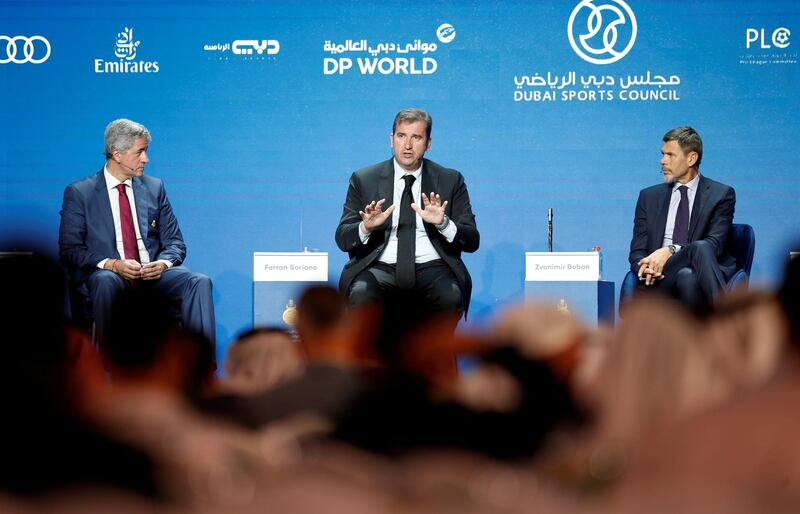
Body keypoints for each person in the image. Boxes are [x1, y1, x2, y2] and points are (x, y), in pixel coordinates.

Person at [59, 118, 216, 348]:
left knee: (198, 282)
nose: (146, 159)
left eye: (146, 151)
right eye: (140, 152)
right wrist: (113, 264)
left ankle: (203, 371)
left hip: (152, 276)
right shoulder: (81, 193)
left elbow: (175, 243)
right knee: (104, 281)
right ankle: (115, 369)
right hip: (111, 277)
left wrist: (162, 264)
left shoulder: (154, 188)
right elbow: (70, 250)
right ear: (117, 154)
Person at [335, 108, 479, 318]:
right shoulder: (364, 179)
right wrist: (366, 226)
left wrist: (443, 224)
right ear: (391, 139)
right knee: (361, 296)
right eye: (401, 136)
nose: (408, 145)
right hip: (378, 268)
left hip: (434, 268)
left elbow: (472, 240)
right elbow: (343, 239)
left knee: (450, 297)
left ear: (428, 143)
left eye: (417, 137)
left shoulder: (450, 180)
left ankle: (436, 351)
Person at [628, 126, 736, 313]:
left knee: (689, 273)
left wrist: (670, 250)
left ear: (691, 158)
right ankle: (728, 320)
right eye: (662, 154)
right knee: (696, 252)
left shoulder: (720, 195)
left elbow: (715, 245)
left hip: (700, 271)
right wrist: (646, 267)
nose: (662, 161)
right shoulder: (649, 197)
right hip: (660, 276)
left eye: (670, 155)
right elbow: (637, 251)